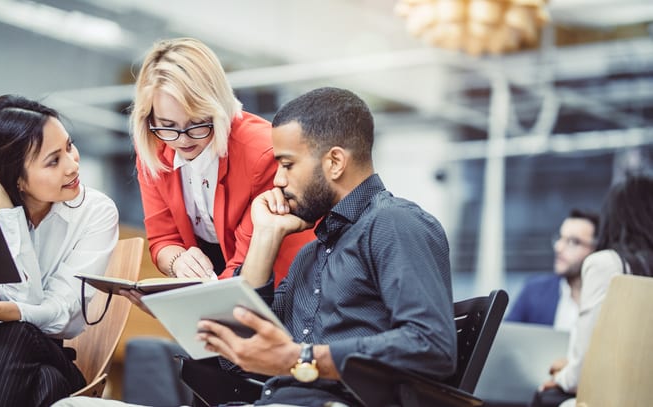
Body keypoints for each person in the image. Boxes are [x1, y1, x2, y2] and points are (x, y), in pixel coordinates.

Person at [56, 86, 458, 407]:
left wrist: (297, 359)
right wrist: (264, 237)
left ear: (334, 162)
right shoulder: (311, 255)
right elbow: (236, 363)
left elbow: (431, 346)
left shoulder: (394, 223)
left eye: (287, 164)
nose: (278, 181)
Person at [0, 95, 119, 407]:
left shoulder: (95, 212)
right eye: (54, 161)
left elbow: (54, 313)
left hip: (43, 348)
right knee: (43, 387)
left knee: (15, 335)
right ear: (16, 178)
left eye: (69, 146)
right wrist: (2, 203)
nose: (73, 165)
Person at [130, 37, 313, 282]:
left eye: (197, 124)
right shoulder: (154, 146)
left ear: (217, 108)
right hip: (220, 273)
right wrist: (178, 261)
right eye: (168, 125)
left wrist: (198, 304)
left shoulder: (261, 153)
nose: (182, 140)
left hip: (280, 279)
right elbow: (163, 239)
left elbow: (246, 266)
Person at [531, 174, 653, 407]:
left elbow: (580, 376)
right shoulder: (537, 291)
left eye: (574, 242)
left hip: (610, 399)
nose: (560, 247)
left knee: (545, 397)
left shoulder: (607, 264)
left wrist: (562, 376)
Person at [506, 209, 599, 331]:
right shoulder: (534, 291)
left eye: (573, 242)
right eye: (560, 238)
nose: (558, 247)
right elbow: (505, 339)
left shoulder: (606, 300)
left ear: (596, 250)